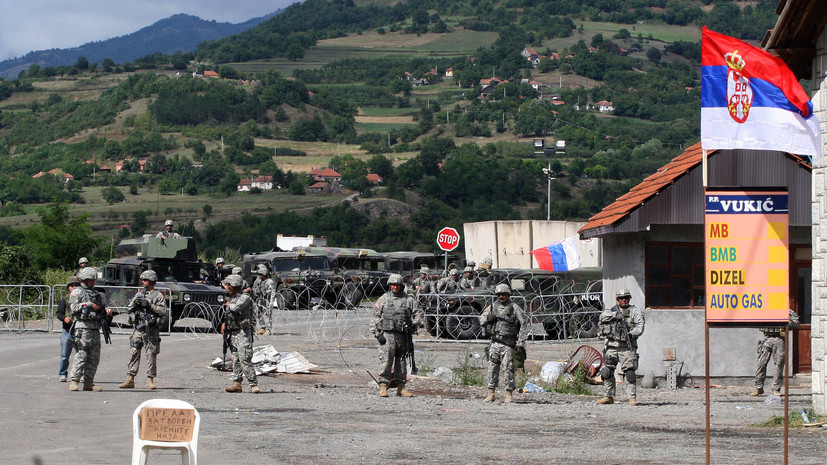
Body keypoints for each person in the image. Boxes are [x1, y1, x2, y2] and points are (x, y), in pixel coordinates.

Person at [370, 274, 423, 397]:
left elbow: (419, 314)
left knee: (402, 362)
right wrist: (377, 334)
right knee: (386, 361)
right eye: (392, 285)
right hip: (387, 335)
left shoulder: (408, 300)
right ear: (390, 286)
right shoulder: (384, 299)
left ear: (401, 286)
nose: (395, 287)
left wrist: (414, 325)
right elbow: (375, 317)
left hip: (402, 336)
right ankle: (383, 386)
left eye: (397, 285)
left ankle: (401, 387)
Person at [118, 270, 169, 390]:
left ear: (151, 281)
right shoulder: (140, 294)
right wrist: (135, 304)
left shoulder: (158, 295)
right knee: (134, 351)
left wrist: (150, 305)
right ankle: (130, 378)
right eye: (142, 280)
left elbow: (163, 311)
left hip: (151, 328)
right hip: (139, 327)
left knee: (151, 353)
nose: (143, 282)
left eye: (145, 280)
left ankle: (150, 380)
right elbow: (129, 308)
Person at [478, 284, 528, 403]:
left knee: (508, 368)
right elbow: (481, 319)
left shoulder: (514, 307)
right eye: (499, 295)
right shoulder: (492, 307)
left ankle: (509, 394)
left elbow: (524, 323)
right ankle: (491, 393)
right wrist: (487, 319)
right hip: (495, 342)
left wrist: (520, 342)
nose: (501, 297)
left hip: (508, 343)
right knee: (492, 368)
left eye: (504, 294)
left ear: (508, 295)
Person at [597, 289, 645, 406]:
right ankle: (608, 396)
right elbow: (602, 318)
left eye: (626, 298)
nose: (624, 300)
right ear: (617, 300)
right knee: (607, 372)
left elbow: (640, 326)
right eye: (621, 298)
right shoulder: (611, 311)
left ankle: (632, 398)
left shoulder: (634, 311)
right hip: (612, 346)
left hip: (627, 347)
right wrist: (616, 315)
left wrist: (632, 334)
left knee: (630, 373)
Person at [68, 267, 111, 392]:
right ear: (85, 280)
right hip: (83, 327)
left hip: (95, 328)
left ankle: (88, 382)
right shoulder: (77, 292)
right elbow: (73, 307)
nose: (93, 282)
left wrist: (106, 311)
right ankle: (74, 381)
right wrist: (87, 304)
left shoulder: (96, 293)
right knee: (82, 355)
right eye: (91, 280)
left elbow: (100, 308)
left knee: (94, 357)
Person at [221, 274, 260, 394]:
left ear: (234, 285)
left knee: (245, 358)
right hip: (233, 332)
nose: (226, 287)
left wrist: (228, 304)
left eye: (228, 285)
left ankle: (253, 384)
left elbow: (235, 308)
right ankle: (237, 383)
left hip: (243, 332)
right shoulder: (232, 297)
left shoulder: (244, 297)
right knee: (235, 358)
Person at [751, 309, 800, 396]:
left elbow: (796, 323)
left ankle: (776, 389)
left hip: (779, 339)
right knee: (761, 364)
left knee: (779, 365)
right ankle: (758, 387)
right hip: (767, 338)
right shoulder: (764, 308)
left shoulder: (786, 310)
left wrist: (786, 323)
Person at [56, 276, 80, 382]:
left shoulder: (83, 298)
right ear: (68, 287)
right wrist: (64, 318)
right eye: (72, 285)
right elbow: (59, 313)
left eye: (76, 285)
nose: (74, 287)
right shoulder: (65, 299)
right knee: (64, 355)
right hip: (68, 330)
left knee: (82, 355)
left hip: (80, 330)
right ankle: (62, 374)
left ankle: (80, 374)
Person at [251, 264, 277, 335]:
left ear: (264, 275)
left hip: (267, 300)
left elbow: (272, 292)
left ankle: (268, 329)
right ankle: (263, 327)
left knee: (267, 314)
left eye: (260, 275)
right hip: (260, 300)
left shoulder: (269, 282)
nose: (259, 276)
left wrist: (271, 301)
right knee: (259, 314)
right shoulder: (259, 281)